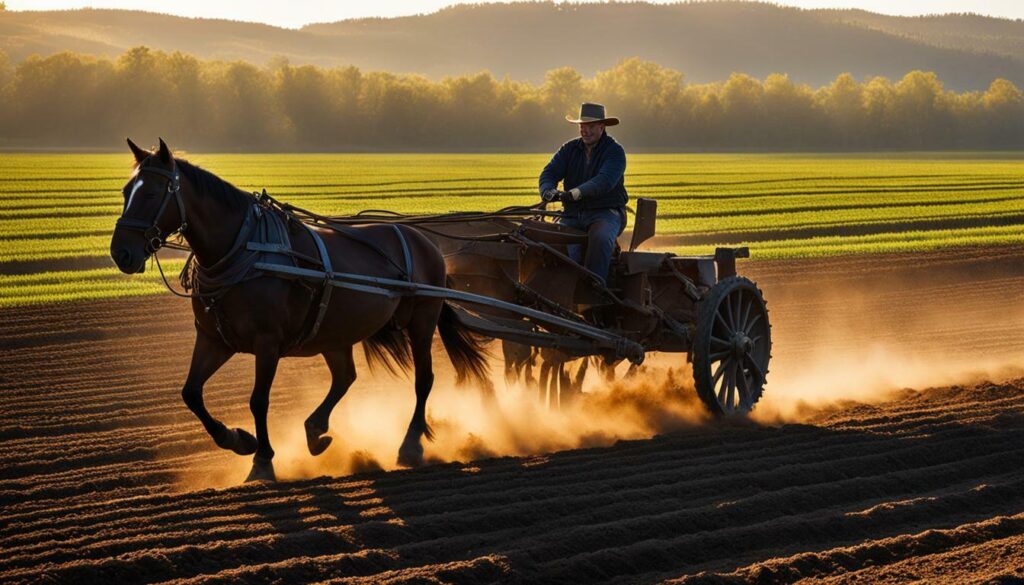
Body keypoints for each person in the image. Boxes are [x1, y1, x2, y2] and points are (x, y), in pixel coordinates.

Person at [538, 102, 628, 284]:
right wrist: (547, 190)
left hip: (605, 213)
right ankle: (557, 287)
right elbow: (549, 173)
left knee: (601, 238)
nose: (585, 131)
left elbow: (605, 181)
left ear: (602, 127)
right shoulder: (568, 149)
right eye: (582, 126)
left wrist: (576, 193)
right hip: (572, 214)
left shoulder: (615, 152)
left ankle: (595, 287)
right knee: (549, 239)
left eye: (591, 126)